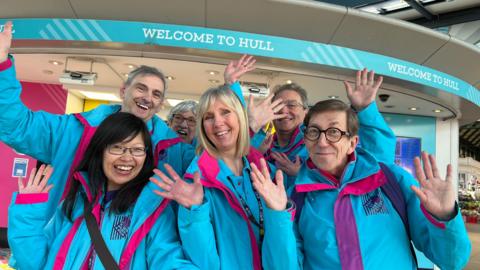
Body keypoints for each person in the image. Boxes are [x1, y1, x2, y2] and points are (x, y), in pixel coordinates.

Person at [0, 21, 194, 219]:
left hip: (135, 246)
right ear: (123, 90)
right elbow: (18, 126)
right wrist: (1, 65)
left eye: (156, 94)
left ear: (160, 104)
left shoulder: (174, 151)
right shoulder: (75, 130)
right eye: (141, 88)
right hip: (71, 239)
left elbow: (212, 164)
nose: (147, 98)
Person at [294, 99, 471, 270]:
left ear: (352, 143)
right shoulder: (296, 197)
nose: (322, 142)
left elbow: (451, 262)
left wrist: (445, 217)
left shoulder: (390, 179)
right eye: (314, 132)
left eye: (334, 132)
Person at [8, 112, 197, 270]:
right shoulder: (76, 202)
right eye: (117, 147)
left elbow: (169, 261)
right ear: (100, 151)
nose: (127, 157)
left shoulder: (152, 209)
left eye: (137, 149)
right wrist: (28, 213)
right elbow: (34, 264)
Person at [150, 84, 298, 270]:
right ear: (203, 127)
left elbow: (286, 263)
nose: (218, 122)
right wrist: (195, 212)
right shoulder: (194, 183)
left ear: (241, 118)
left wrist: (278, 213)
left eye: (225, 112)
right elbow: (205, 264)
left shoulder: (266, 173)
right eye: (209, 117)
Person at [248, 67, 396, 188]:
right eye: (278, 105)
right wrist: (253, 152)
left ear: (305, 111)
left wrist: (304, 174)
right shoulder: (260, 143)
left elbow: (378, 161)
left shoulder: (321, 144)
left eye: (292, 105)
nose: (284, 111)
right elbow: (233, 170)